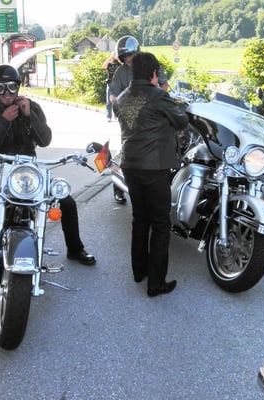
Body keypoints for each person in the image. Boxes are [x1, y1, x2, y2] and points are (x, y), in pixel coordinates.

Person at [0, 64, 96, 288]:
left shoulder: (32, 107)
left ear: (18, 86)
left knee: (67, 202)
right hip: (0, 168)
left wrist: (30, 115)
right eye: (0, 88)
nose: (7, 93)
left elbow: (45, 140)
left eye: (11, 87)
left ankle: (75, 248)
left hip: (30, 169)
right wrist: (4, 122)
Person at [115, 52, 189, 297]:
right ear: (154, 73)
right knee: (160, 223)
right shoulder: (159, 96)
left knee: (140, 219)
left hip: (129, 165)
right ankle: (156, 283)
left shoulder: (122, 98)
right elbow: (181, 121)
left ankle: (139, 272)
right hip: (154, 168)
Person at [109, 35, 169, 205]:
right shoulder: (121, 72)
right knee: (126, 148)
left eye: (130, 55)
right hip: (131, 116)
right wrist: (116, 101)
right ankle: (118, 188)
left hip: (151, 114)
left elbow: (164, 85)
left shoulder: (150, 65)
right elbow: (113, 93)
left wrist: (157, 97)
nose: (128, 59)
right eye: (125, 56)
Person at [101, 52, 121, 122]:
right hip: (110, 83)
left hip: (118, 84)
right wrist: (110, 58)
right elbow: (103, 66)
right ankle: (108, 116)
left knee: (118, 100)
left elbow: (124, 66)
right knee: (108, 101)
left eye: (116, 55)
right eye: (114, 55)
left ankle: (117, 115)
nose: (114, 56)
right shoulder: (109, 64)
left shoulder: (119, 64)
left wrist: (118, 59)